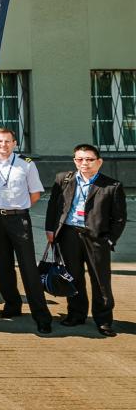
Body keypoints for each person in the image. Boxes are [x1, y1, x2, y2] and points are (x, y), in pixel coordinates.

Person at [45, 144, 126, 337]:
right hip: (69, 235)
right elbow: (53, 205)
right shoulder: (63, 179)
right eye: (80, 159)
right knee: (74, 277)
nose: (84, 163)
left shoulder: (112, 186)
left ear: (99, 162)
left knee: (100, 280)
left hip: (96, 238)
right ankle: (76, 314)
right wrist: (51, 229)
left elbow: (119, 218)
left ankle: (104, 319)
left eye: (89, 159)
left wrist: (109, 240)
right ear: (74, 161)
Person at [0, 127, 52, 334]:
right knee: (2, 266)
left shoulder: (25, 165)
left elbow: (35, 193)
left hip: (18, 219)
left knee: (28, 266)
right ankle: (12, 305)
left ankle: (41, 315)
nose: (3, 145)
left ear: (14, 143)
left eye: (7, 141)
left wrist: (18, 208)